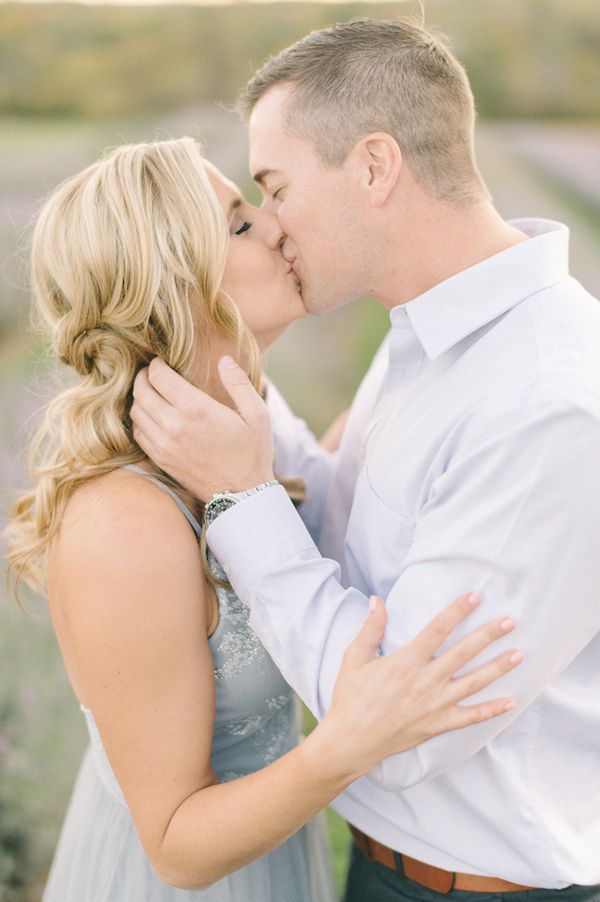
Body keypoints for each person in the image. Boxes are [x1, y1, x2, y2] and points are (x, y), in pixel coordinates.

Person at [129, 18, 600, 902]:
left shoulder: (549, 402)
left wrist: (240, 493)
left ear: (375, 167)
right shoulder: (429, 332)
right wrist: (219, 375)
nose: (269, 224)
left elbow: (407, 728)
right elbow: (347, 526)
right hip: (394, 873)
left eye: (275, 186)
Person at [5, 137, 521, 902]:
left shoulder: (246, 441)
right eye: (241, 223)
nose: (279, 224)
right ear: (172, 288)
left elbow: (379, 459)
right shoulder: (125, 523)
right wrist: (347, 744)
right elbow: (177, 846)